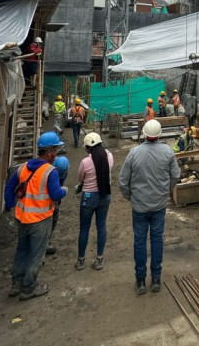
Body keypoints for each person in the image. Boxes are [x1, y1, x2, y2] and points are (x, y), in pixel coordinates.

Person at [119, 119, 180, 295]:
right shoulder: (168, 152)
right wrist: (166, 191)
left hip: (139, 206)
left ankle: (140, 281)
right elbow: (175, 175)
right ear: (159, 134)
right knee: (157, 240)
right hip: (159, 205)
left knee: (139, 241)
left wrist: (130, 197)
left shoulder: (134, 153)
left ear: (144, 134)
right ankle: (156, 279)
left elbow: (123, 182)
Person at [4, 131, 67, 300]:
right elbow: (55, 194)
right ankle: (29, 287)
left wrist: (11, 207)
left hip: (22, 218)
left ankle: (16, 283)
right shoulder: (50, 171)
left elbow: (9, 188)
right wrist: (64, 191)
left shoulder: (23, 167)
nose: (56, 154)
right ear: (49, 152)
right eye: (55, 150)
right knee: (36, 254)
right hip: (40, 219)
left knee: (22, 251)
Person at [76, 132, 114, 271]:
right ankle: (99, 259)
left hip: (89, 197)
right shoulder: (109, 157)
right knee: (101, 225)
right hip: (105, 195)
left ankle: (80, 261)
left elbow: (80, 179)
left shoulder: (85, 162)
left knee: (84, 228)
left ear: (88, 148)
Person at [47, 154, 69, 255]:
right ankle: (46, 244)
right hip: (52, 203)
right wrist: (64, 190)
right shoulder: (62, 174)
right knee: (52, 221)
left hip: (44, 204)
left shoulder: (51, 173)